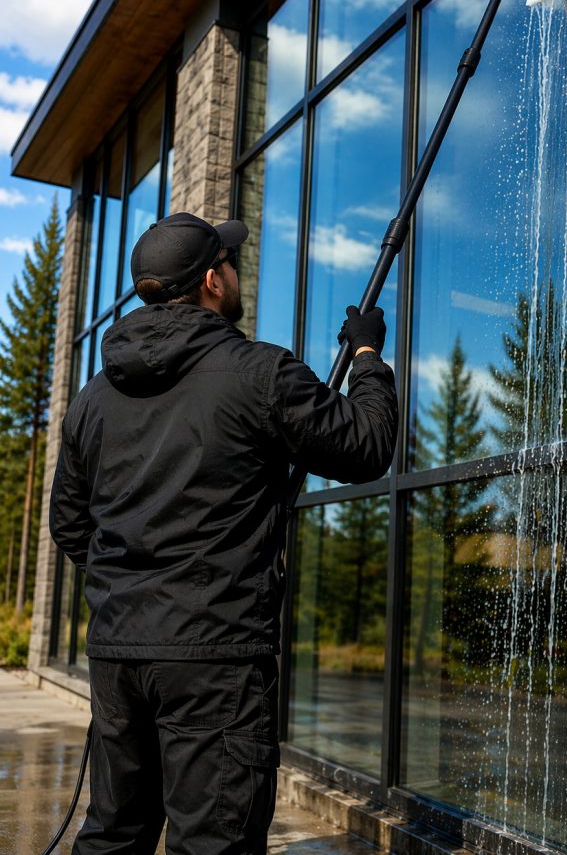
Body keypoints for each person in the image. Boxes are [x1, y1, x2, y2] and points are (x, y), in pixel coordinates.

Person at [49, 211, 398, 855]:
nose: (236, 274)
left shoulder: (92, 398)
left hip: (119, 656)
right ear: (212, 280)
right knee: (214, 842)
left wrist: (130, 583)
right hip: (216, 661)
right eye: (231, 265)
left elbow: (70, 525)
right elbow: (367, 444)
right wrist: (370, 358)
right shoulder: (258, 373)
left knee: (112, 834)